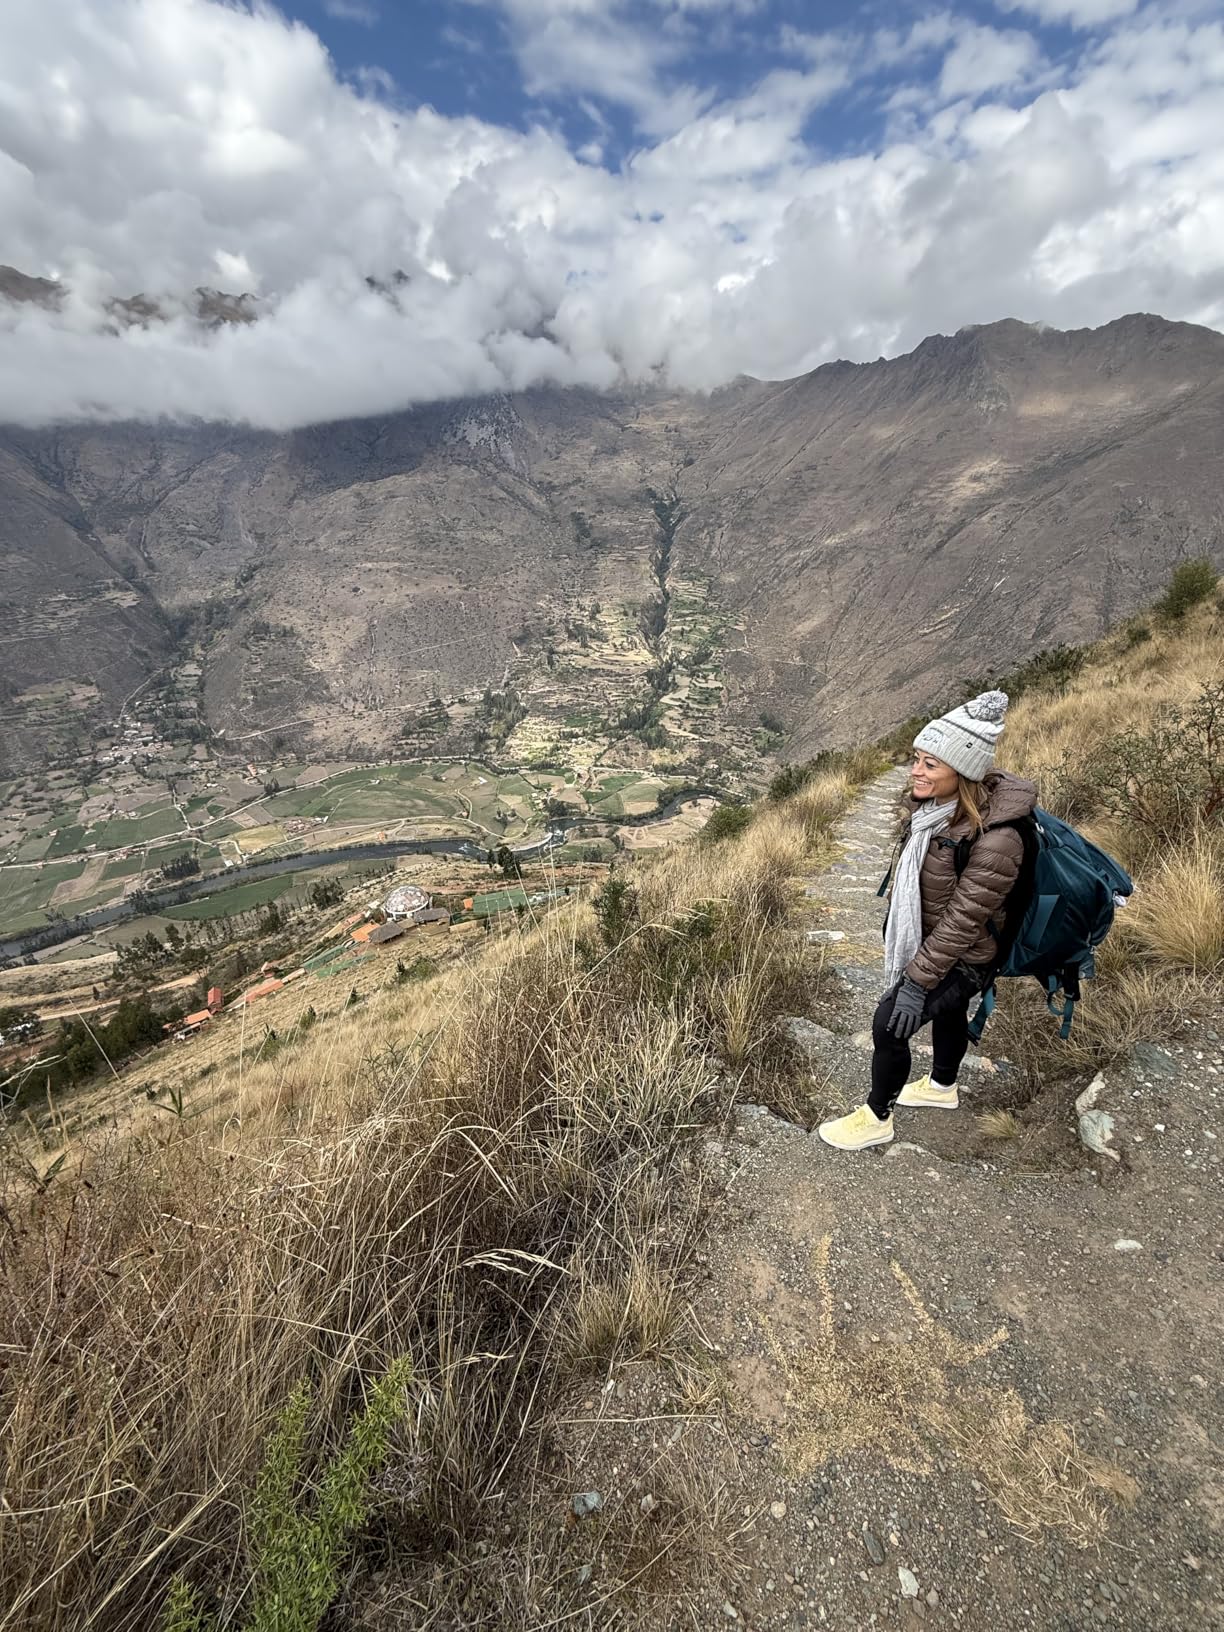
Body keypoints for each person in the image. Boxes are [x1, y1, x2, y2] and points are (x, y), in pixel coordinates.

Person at [818, 690, 1037, 1151]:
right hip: (944, 943)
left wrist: (916, 983)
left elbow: (963, 922)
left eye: (931, 764)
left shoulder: (997, 841)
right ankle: (942, 1087)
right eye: (916, 758)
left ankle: (877, 1117)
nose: (916, 770)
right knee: (950, 1012)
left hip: (970, 953)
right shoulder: (937, 815)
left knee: (888, 1022)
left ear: (964, 772)